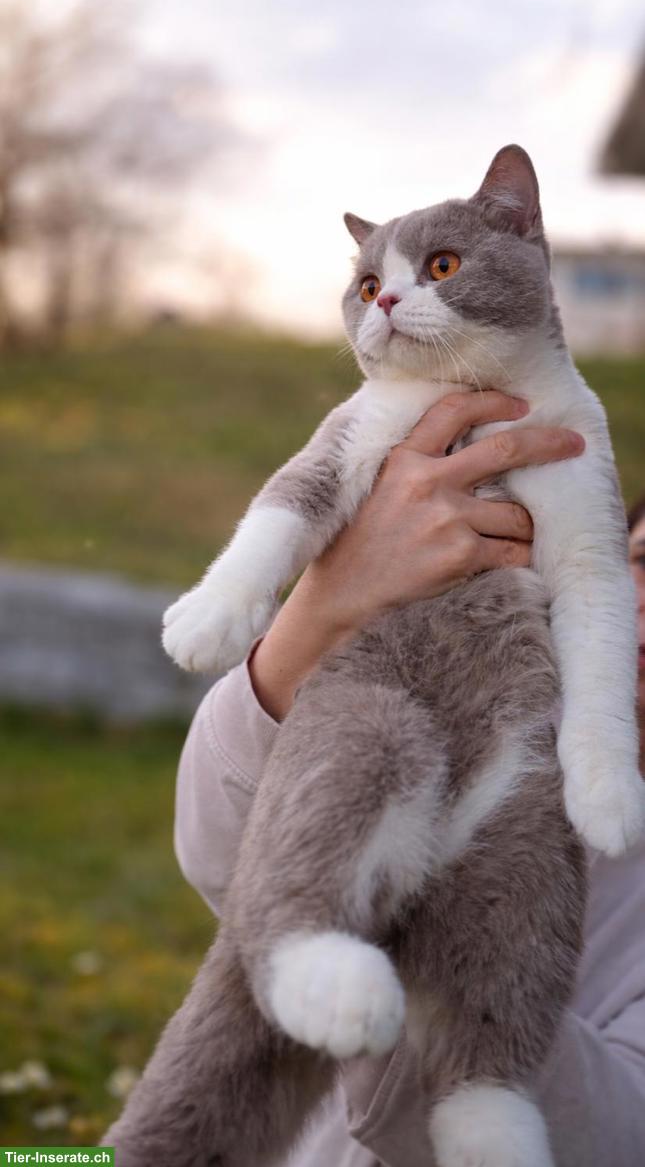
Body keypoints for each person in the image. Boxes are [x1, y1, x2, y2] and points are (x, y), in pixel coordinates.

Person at [175, 392, 645, 1167]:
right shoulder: (474, 702)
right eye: (640, 559)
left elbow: (616, 1135)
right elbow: (221, 853)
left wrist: (424, 962)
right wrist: (326, 607)